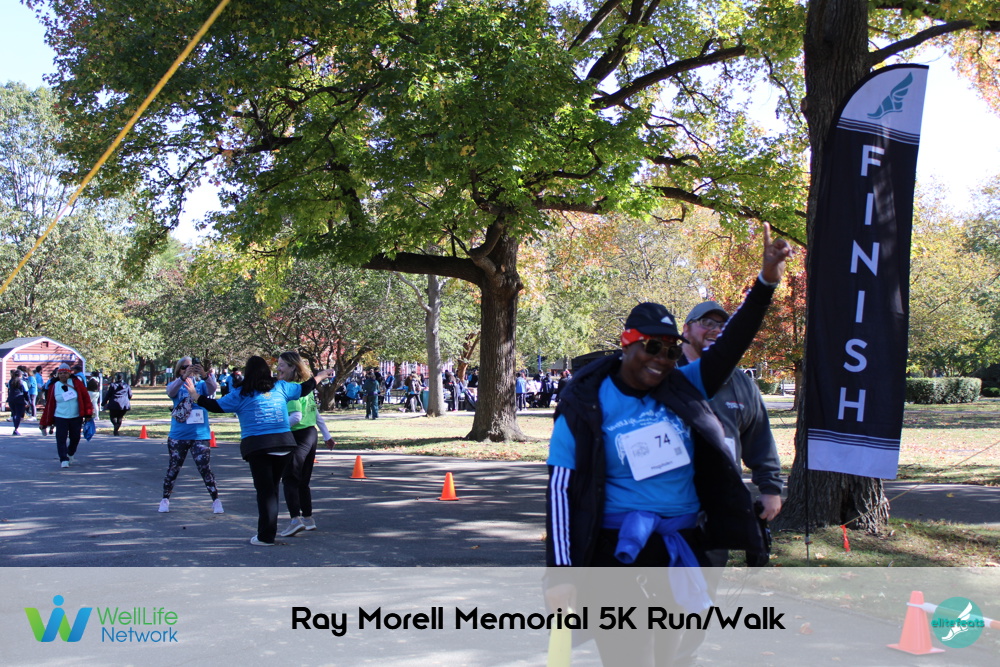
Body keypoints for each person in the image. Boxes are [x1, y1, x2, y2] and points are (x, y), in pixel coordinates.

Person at [544, 224, 790, 666]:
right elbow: (561, 490)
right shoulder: (585, 404)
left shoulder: (684, 385)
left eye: (671, 350)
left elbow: (732, 343)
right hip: (617, 547)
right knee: (629, 656)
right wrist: (560, 573)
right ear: (626, 344)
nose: (661, 358)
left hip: (681, 544)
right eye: (651, 347)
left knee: (671, 654)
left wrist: (766, 281)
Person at [673, 300, 783, 667]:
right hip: (669, 505)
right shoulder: (666, 374)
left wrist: (770, 488)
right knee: (661, 593)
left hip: (718, 508)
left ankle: (684, 655)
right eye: (706, 322)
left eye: (722, 325)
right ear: (686, 329)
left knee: (703, 594)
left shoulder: (741, 384)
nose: (715, 330)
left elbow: (759, 439)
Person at [187, 355, 334, 546]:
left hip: (259, 446)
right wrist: (320, 376)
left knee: (265, 492)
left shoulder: (241, 393)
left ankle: (265, 536)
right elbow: (305, 387)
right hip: (284, 444)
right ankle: (268, 533)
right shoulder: (280, 387)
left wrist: (195, 395)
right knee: (272, 489)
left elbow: (215, 406)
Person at [276, 351, 335, 537]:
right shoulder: (305, 387)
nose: (278, 368)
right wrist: (326, 435)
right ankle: (308, 518)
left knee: (289, 479)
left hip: (298, 435)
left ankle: (295, 520)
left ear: (293, 367)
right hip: (310, 434)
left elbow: (296, 416)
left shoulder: (291, 388)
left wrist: (275, 429)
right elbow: (315, 413)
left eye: (282, 365)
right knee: (303, 481)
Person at [160, 358, 222, 513]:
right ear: (178, 370)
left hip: (200, 435)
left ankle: (216, 500)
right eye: (184, 367)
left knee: (205, 468)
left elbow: (212, 389)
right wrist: (183, 378)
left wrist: (205, 375)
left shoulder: (201, 385)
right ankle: (165, 499)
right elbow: (170, 392)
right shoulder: (176, 384)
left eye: (191, 367)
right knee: (174, 468)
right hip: (178, 435)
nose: (188, 370)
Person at [39, 363, 95, 468]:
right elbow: (50, 404)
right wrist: (44, 422)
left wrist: (88, 413)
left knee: (75, 438)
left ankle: (70, 453)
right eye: (60, 373)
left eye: (65, 373)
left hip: (76, 416)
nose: (63, 375)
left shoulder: (76, 383)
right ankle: (63, 459)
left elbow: (85, 398)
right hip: (60, 416)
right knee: (61, 438)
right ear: (57, 374)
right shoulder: (54, 386)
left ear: (69, 374)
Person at [6, 370, 29, 435]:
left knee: (14, 414)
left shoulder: (10, 381)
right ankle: (16, 428)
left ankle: (15, 427)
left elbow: (9, 389)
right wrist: (27, 400)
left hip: (11, 399)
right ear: (20, 375)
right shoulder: (22, 382)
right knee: (18, 414)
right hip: (19, 399)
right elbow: (26, 392)